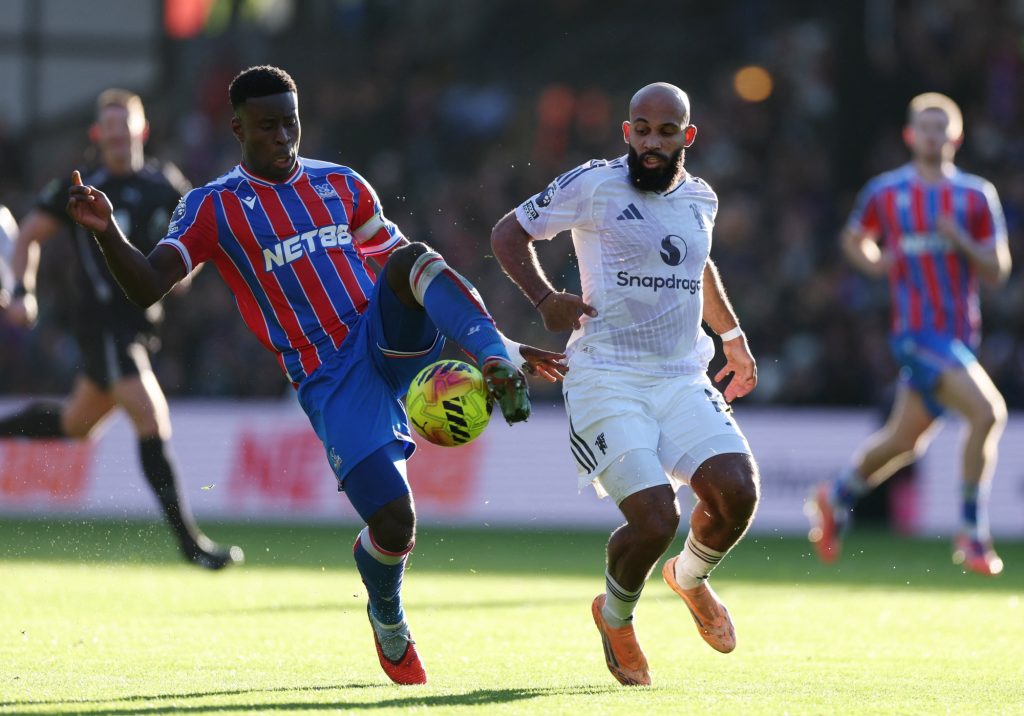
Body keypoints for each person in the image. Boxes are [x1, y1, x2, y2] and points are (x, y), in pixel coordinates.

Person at [65, 65, 566, 685]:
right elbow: (146, 286)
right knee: (394, 523)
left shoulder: (341, 184)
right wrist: (108, 233)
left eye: (290, 123)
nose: (283, 137)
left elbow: (417, 276)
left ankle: (493, 359)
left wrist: (502, 343)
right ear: (238, 129)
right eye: (267, 127)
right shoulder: (213, 207)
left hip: (385, 336)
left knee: (412, 256)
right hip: (328, 376)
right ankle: (387, 611)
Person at [491, 82, 760, 686]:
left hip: (680, 377)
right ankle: (615, 618)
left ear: (687, 137)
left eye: (666, 132)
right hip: (606, 378)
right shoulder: (594, 183)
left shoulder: (702, 198)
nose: (651, 142)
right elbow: (508, 233)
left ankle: (689, 578)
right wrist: (544, 299)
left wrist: (732, 335)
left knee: (738, 494)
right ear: (627, 132)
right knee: (656, 519)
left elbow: (698, 266)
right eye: (642, 130)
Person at [0, 89, 243, 570]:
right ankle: (191, 545)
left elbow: (198, 240)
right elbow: (28, 235)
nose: (115, 133)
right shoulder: (81, 186)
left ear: (141, 129)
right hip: (103, 325)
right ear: (97, 133)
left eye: (123, 123)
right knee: (151, 418)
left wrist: (184, 273)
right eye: (107, 125)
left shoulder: (165, 183)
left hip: (140, 328)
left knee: (76, 424)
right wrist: (23, 291)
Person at [807, 93, 1011, 577]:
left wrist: (960, 239)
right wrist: (875, 262)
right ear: (910, 135)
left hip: (958, 336)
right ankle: (972, 532)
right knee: (988, 413)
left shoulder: (976, 195)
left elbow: (998, 270)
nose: (933, 135)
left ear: (956, 137)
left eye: (942, 128)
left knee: (903, 441)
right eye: (925, 127)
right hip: (916, 333)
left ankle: (835, 496)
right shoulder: (887, 191)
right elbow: (854, 238)